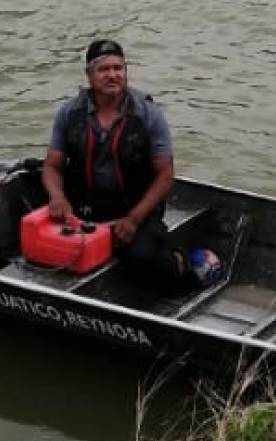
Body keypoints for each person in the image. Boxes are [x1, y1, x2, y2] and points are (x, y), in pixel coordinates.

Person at [42, 39, 196, 292]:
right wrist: (57, 198)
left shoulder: (148, 115)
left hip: (135, 211)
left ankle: (179, 263)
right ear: (89, 75)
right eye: (104, 69)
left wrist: (134, 220)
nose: (113, 75)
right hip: (82, 210)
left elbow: (165, 175)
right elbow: (52, 166)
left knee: (140, 258)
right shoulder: (69, 113)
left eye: (118, 68)